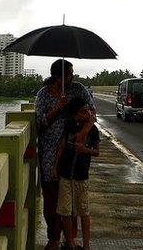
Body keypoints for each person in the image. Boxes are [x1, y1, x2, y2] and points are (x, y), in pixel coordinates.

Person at [35, 59, 95, 250]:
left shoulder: (78, 90)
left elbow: (92, 113)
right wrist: (57, 109)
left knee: (72, 197)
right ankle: (53, 237)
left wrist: (83, 130)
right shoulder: (43, 95)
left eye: (72, 73)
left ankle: (70, 239)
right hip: (50, 152)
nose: (72, 77)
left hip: (72, 152)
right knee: (51, 196)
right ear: (56, 77)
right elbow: (40, 123)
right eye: (68, 74)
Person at [56, 97, 99, 250]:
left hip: (82, 176)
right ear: (75, 114)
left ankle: (86, 245)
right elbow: (68, 144)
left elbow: (96, 151)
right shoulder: (70, 125)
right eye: (83, 111)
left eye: (88, 110)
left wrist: (86, 150)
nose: (87, 113)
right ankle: (71, 243)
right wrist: (55, 166)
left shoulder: (93, 131)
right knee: (65, 211)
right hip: (66, 174)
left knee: (84, 211)